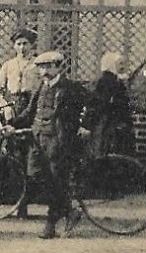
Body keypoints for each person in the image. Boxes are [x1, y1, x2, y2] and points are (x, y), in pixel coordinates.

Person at [11, 50, 90, 239]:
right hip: (38, 139)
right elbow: (30, 112)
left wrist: (85, 125)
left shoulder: (71, 88)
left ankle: (50, 223)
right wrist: (11, 124)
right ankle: (70, 211)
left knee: (56, 179)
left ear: (59, 67)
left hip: (59, 141)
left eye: (49, 67)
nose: (44, 71)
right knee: (34, 175)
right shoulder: (41, 87)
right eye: (41, 67)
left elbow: (94, 104)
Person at [0, 27, 40, 219]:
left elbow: (40, 92)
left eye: (25, 43)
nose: (22, 47)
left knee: (25, 159)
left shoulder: (37, 65)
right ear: (13, 46)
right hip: (10, 110)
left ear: (32, 45)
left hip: (28, 111)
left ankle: (22, 205)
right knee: (3, 158)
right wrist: (3, 106)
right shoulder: (8, 65)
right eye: (18, 43)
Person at [86, 52, 138, 159]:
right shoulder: (107, 82)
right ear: (111, 65)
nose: (123, 67)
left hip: (114, 126)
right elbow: (99, 105)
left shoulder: (115, 82)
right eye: (120, 64)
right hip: (108, 127)